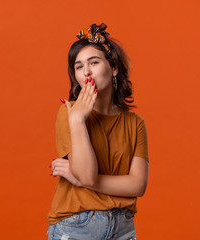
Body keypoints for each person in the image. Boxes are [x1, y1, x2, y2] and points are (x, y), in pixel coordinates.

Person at [47, 23, 149, 240]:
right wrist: (77, 120)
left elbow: (138, 185)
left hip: (122, 227)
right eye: (79, 66)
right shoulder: (69, 113)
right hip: (77, 226)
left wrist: (82, 181)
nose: (86, 72)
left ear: (114, 68)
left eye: (94, 62)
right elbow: (87, 174)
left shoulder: (135, 123)